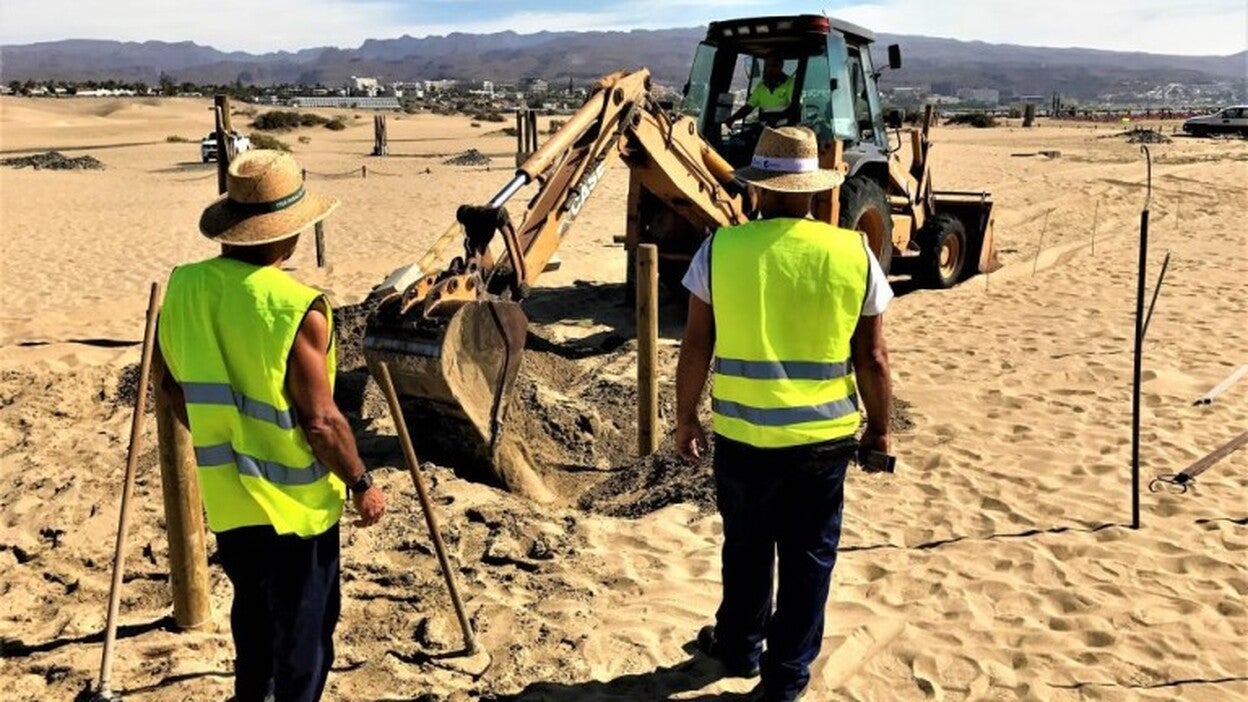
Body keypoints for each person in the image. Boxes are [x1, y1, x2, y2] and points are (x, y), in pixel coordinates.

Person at [155, 150, 387, 702]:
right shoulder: (295, 306)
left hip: (229, 495)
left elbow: (169, 387)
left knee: (253, 616)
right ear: (289, 236)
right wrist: (361, 482)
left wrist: (220, 435)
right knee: (304, 633)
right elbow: (322, 421)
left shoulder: (184, 286)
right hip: (296, 507)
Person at [674, 126, 893, 701]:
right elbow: (871, 357)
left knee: (745, 548)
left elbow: (696, 345)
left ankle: (740, 647)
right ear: (814, 190)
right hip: (821, 448)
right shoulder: (853, 252)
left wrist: (686, 418)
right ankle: (785, 678)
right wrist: (880, 429)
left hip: (743, 439)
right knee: (807, 561)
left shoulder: (721, 249)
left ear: (757, 188)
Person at [726, 57, 796, 127]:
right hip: (765, 127)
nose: (770, 69)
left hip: (785, 128)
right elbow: (749, 107)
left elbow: (794, 107)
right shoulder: (761, 86)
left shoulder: (790, 83)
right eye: (768, 65)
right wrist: (733, 118)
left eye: (774, 65)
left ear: (781, 66)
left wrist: (777, 118)